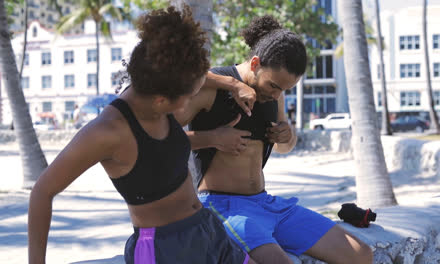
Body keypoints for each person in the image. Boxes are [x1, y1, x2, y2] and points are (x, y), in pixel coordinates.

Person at [28, 6, 256, 264]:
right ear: (161, 100)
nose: (189, 104)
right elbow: (42, 192)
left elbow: (160, 150)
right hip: (164, 249)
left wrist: (218, 124)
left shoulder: (160, 83)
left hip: (207, 229)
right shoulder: (106, 132)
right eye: (188, 98)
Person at [174, 16, 373, 264]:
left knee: (361, 255)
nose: (277, 94)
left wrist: (287, 134)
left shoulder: (273, 96)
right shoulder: (213, 86)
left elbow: (284, 147)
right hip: (222, 207)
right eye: (274, 86)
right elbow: (157, 138)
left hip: (267, 204)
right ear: (255, 63)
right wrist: (213, 138)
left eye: (284, 90)